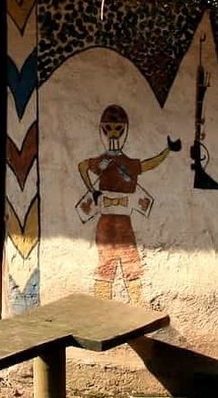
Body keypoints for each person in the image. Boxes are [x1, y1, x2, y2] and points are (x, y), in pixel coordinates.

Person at [76, 105, 179, 303]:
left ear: (124, 131)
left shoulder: (127, 164)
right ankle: (102, 307)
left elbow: (150, 163)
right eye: (109, 128)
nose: (113, 133)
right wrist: (92, 190)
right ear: (103, 130)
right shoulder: (102, 162)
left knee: (131, 261)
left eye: (118, 129)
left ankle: (137, 307)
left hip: (123, 221)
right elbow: (82, 166)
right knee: (106, 262)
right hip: (107, 221)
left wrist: (167, 151)